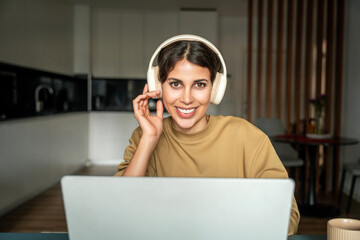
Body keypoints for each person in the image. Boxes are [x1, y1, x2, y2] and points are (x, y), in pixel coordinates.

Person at [114, 35, 300, 235]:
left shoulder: (247, 137)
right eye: (175, 84)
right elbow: (119, 210)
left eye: (200, 85)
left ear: (215, 89)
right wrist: (149, 139)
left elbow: (287, 218)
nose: (187, 98)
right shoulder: (144, 135)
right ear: (158, 87)